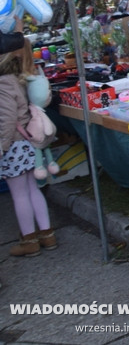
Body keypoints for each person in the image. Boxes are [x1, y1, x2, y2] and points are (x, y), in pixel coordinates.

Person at [0, 31, 57, 257]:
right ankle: (47, 234)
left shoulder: (3, 85)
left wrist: (1, 148)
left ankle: (29, 239)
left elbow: (6, 121)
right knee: (33, 190)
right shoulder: (19, 78)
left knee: (19, 194)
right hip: (26, 145)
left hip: (12, 146)